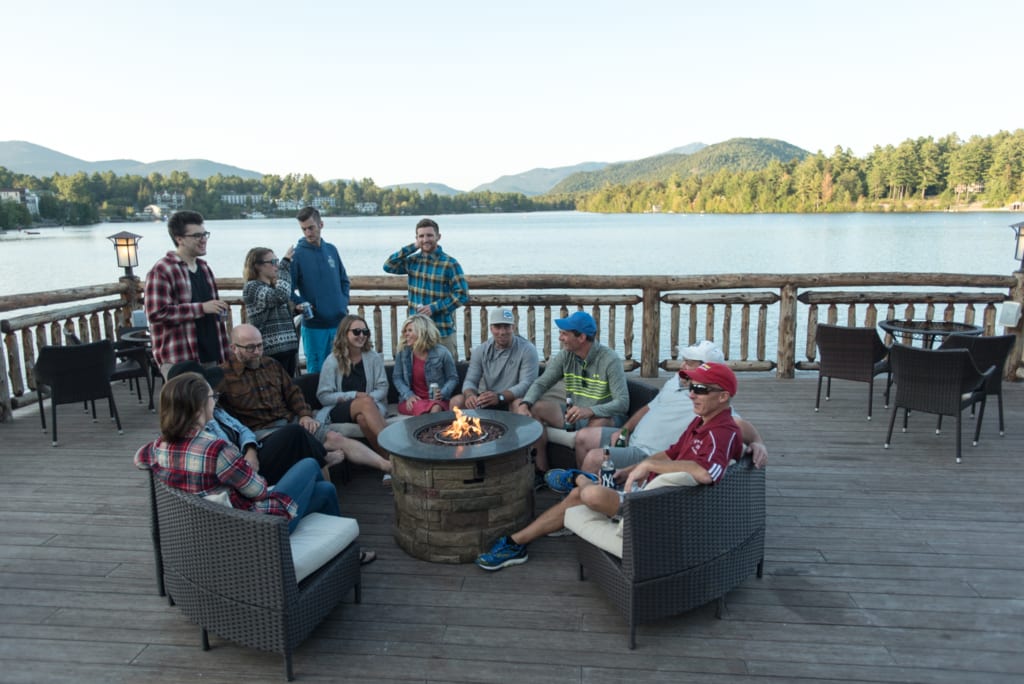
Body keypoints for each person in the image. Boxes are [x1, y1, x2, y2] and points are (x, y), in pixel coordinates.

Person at [476, 362, 743, 570]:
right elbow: (672, 452)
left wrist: (646, 465)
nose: (692, 395)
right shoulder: (702, 422)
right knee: (576, 496)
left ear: (723, 397)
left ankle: (580, 479)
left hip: (656, 508)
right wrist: (632, 469)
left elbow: (707, 473)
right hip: (646, 488)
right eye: (691, 388)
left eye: (701, 390)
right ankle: (515, 543)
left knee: (588, 493)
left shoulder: (722, 432)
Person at [134, 372, 339, 534]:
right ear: (198, 408)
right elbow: (259, 491)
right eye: (211, 397)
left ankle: (343, 549)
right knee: (309, 465)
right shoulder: (216, 450)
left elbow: (138, 459)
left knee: (326, 490)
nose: (214, 401)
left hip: (208, 527)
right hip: (253, 528)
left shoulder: (157, 447)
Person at [217, 324, 393, 476]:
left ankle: (388, 466)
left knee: (334, 437)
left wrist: (304, 415)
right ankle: (323, 457)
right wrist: (247, 446)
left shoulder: (271, 365)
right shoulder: (222, 377)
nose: (257, 352)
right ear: (234, 348)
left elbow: (293, 393)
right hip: (261, 432)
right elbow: (219, 418)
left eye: (260, 346)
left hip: (289, 420)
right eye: (250, 348)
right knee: (298, 436)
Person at [573, 340, 768, 476]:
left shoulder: (707, 398)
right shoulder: (677, 380)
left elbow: (736, 423)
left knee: (594, 458)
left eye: (689, 362)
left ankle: (585, 502)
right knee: (582, 437)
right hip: (631, 439)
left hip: (647, 453)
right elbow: (649, 407)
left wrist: (758, 442)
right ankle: (582, 489)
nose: (681, 364)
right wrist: (625, 429)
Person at [166, 360, 340, 485]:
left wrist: (250, 450)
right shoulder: (203, 435)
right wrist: (246, 460)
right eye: (210, 394)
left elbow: (242, 430)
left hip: (250, 454)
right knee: (300, 443)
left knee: (296, 434)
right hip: (245, 475)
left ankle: (320, 459)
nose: (214, 394)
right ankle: (321, 460)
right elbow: (238, 473)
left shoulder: (216, 411)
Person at [513, 311, 628, 476]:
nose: (560, 338)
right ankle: (541, 472)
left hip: (603, 417)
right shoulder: (565, 356)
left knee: (591, 429)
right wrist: (526, 403)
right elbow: (542, 382)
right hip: (574, 414)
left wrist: (590, 411)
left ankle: (582, 481)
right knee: (536, 408)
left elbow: (623, 402)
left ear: (581, 337)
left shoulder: (610, 360)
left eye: (564, 334)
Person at [144, 210, 230, 378]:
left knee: (211, 403)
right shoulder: (162, 270)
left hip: (211, 353)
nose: (203, 239)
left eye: (205, 234)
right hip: (180, 357)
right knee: (185, 404)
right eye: (197, 235)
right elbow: (156, 314)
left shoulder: (205, 268)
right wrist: (201, 308)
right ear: (179, 239)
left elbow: (210, 310)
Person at [382, 217, 469, 360]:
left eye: (429, 235)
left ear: (438, 237)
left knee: (447, 375)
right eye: (421, 236)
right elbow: (388, 266)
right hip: (415, 332)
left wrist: (433, 308)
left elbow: (462, 294)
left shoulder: (450, 263)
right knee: (412, 374)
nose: (425, 239)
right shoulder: (412, 261)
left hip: (441, 331)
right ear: (416, 238)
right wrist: (413, 247)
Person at [317, 315, 389, 457]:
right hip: (339, 409)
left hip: (370, 406)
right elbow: (323, 396)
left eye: (365, 332)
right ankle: (398, 452)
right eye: (356, 332)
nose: (361, 335)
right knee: (365, 403)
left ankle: (388, 462)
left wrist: (367, 398)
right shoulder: (332, 361)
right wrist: (354, 395)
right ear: (345, 333)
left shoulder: (373, 357)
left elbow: (383, 387)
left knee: (363, 419)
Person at [290, 207, 350, 374]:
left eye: (311, 227)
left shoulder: (331, 250)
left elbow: (344, 280)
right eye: (304, 229)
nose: (308, 233)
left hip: (339, 324)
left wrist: (342, 302)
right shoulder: (297, 255)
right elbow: (287, 289)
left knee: (341, 369)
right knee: (317, 372)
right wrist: (302, 303)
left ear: (321, 224)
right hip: (314, 326)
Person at [450, 307, 538, 411]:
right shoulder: (480, 350)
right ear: (491, 328)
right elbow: (470, 380)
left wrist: (500, 397)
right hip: (488, 398)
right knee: (457, 402)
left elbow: (526, 384)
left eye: (506, 327)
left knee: (519, 404)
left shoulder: (527, 349)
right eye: (497, 327)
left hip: (512, 399)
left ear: (513, 327)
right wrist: (470, 395)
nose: (502, 332)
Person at [242, 246, 300, 377]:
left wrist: (296, 310)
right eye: (273, 262)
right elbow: (280, 297)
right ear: (258, 266)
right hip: (272, 352)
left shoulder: (271, 287)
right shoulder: (252, 288)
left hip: (288, 348)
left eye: (278, 261)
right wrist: (285, 265)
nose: (277, 266)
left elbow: (276, 313)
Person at [392, 314, 458, 416]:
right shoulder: (403, 352)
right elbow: (397, 378)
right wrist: (408, 395)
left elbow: (453, 378)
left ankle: (430, 429)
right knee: (429, 408)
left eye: (410, 330)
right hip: (412, 400)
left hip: (436, 400)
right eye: (405, 331)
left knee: (436, 407)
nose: (406, 334)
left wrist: (443, 393)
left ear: (422, 332)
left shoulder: (442, 353)